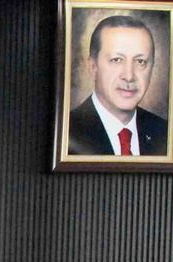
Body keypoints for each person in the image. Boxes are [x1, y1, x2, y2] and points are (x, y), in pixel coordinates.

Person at [68, 15, 167, 156]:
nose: (129, 76)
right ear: (93, 67)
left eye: (140, 61)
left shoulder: (165, 133)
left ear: (152, 68)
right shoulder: (67, 132)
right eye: (116, 60)